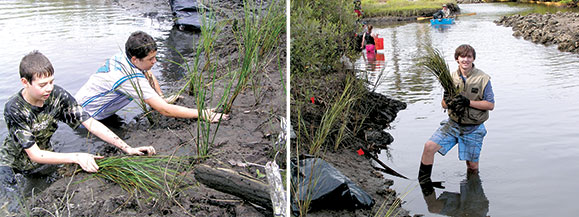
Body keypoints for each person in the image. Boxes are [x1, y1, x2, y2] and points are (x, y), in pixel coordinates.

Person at [0, 51, 156, 211]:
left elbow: (90, 123)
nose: (49, 88)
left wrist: (127, 148)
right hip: (12, 165)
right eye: (42, 85)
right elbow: (34, 154)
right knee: (13, 204)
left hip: (46, 159)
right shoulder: (15, 108)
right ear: (25, 82)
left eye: (51, 82)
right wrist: (76, 157)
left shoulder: (57, 96)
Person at [75, 31, 228, 123]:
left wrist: (160, 97)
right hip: (86, 117)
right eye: (150, 59)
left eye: (155, 56)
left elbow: (147, 72)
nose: (155, 62)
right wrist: (202, 113)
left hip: (95, 107)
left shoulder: (127, 56)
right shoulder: (128, 78)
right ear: (135, 59)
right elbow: (165, 110)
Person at [418, 44, 494, 195]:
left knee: (472, 167)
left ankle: (471, 199)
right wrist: (448, 101)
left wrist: (468, 102)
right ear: (457, 59)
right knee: (428, 147)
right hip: (452, 125)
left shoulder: (483, 79)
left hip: (474, 127)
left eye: (469, 57)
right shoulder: (450, 78)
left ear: (473, 59)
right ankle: (424, 186)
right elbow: (444, 104)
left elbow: (490, 105)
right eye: (462, 57)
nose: (465, 60)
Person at [422, 171, 489, 216]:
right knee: (473, 172)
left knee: (433, 208)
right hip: (473, 204)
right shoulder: (481, 210)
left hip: (460, 210)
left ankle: (425, 184)